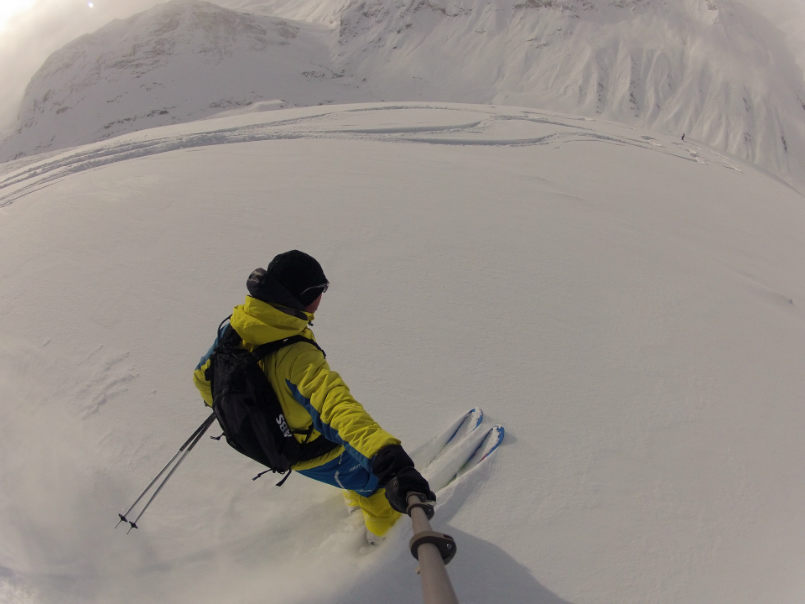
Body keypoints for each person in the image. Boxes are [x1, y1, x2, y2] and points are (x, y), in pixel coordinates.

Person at [193, 250, 435, 543]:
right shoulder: (297, 358)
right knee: (374, 486)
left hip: (274, 437)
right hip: (312, 451)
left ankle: (354, 491)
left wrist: (241, 407)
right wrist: (390, 462)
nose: (322, 299)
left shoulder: (240, 323)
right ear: (303, 297)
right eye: (320, 291)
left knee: (351, 467)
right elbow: (338, 411)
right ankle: (384, 539)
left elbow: (202, 376)